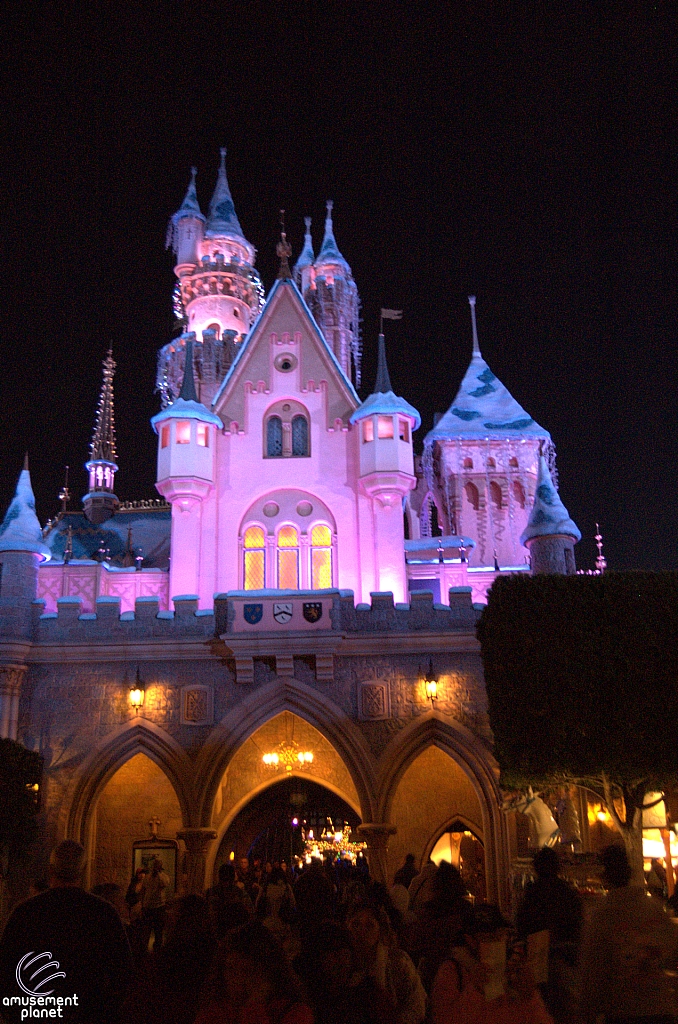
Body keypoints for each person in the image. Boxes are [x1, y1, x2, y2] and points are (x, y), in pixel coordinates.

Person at [0, 839, 133, 1024]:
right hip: (88, 1015)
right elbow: (123, 972)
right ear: (83, 870)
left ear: (51, 870)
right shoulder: (103, 913)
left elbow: (6, 969)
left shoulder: (25, 912)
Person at [579, 843, 678, 1023]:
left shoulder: (602, 916)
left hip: (623, 1011)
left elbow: (591, 974)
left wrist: (587, 1013)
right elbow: (672, 950)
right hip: (659, 1008)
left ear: (604, 876)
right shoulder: (653, 908)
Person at [430, 903, 553, 1023]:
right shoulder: (452, 972)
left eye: (500, 936)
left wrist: (529, 996)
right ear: (470, 940)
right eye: (488, 938)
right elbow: (444, 1018)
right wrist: (476, 990)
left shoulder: (513, 971)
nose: (496, 942)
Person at [195, 920, 313, 1024]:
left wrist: (254, 1007)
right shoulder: (215, 1012)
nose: (238, 979)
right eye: (231, 969)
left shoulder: (294, 1013)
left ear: (269, 972)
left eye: (248, 971)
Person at [123, 893, 217, 1024]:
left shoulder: (166, 959)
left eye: (172, 910)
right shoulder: (214, 955)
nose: (167, 914)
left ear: (184, 918)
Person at [515, 846, 582, 1022]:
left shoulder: (532, 895)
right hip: (566, 959)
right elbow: (578, 925)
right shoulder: (567, 893)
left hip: (539, 960)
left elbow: (522, 925)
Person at [295, 920, 393, 1024]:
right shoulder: (306, 999)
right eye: (334, 955)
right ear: (318, 960)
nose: (341, 962)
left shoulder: (370, 994)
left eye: (345, 955)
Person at [347, 899, 427, 1024]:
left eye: (369, 925)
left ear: (379, 930)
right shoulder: (343, 963)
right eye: (356, 924)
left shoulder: (398, 961)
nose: (362, 930)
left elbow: (416, 1006)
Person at [207, 861, 253, 938]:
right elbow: (251, 916)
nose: (226, 884)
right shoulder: (241, 895)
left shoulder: (210, 894)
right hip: (234, 936)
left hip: (217, 936)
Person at [141, 856, 170, 950]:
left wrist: (158, 874)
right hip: (148, 907)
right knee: (146, 930)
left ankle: (157, 949)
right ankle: (144, 949)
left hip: (159, 907)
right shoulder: (148, 877)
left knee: (158, 930)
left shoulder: (164, 877)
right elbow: (144, 889)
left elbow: (164, 884)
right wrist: (142, 904)